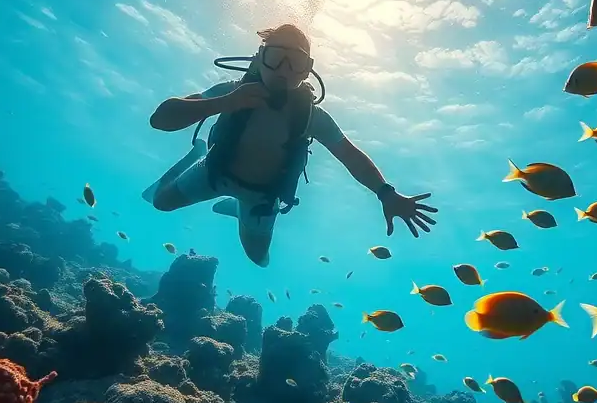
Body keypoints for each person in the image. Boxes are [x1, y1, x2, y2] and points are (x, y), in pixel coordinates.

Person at [146, 23, 438, 267]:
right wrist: (224, 103)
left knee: (258, 258)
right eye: (275, 57)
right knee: (160, 203)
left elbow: (349, 155)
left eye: (296, 62)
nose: (284, 69)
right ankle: (195, 154)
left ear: (307, 70)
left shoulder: (312, 116)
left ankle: (238, 209)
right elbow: (160, 120)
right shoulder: (233, 91)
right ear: (259, 58)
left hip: (261, 199)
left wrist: (385, 192)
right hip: (212, 172)